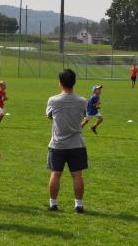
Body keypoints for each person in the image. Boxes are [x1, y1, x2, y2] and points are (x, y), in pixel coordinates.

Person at [45, 69, 88, 213]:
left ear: (60, 83)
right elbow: (83, 116)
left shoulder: (53, 100)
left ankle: (53, 204)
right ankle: (78, 205)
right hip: (77, 143)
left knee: (55, 174)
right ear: (74, 82)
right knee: (77, 175)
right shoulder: (82, 101)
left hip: (58, 144)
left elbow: (50, 116)